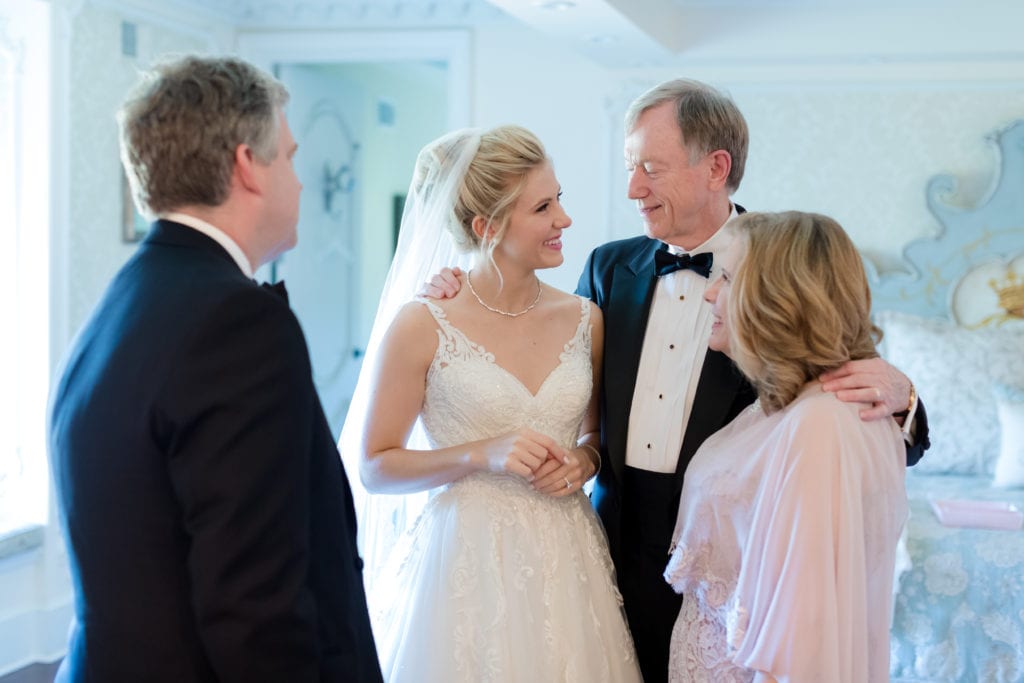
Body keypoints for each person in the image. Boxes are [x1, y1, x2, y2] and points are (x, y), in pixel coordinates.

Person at [425, 77, 929, 682]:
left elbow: (841, 395)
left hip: (732, 571)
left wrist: (908, 399)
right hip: (602, 551)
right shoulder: (609, 267)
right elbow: (552, 368)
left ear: (716, 167)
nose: (632, 188)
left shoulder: (777, 267)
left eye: (650, 169)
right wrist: (459, 292)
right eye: (629, 167)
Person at [48, 56, 382, 682]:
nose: (301, 182)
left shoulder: (121, 302)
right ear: (245, 165)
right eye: (288, 156)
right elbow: (255, 605)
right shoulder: (236, 324)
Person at [342, 125, 642, 682]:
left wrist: (585, 461)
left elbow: (595, 437)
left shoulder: (586, 320)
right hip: (462, 565)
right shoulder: (423, 323)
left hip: (567, 558)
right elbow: (376, 465)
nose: (564, 221)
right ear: (488, 226)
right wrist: (483, 453)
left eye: (561, 200)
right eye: (544, 207)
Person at [664, 210, 908, 682]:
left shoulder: (820, 424)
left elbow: (808, 633)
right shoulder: (782, 408)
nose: (710, 292)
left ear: (778, 299)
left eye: (728, 278)